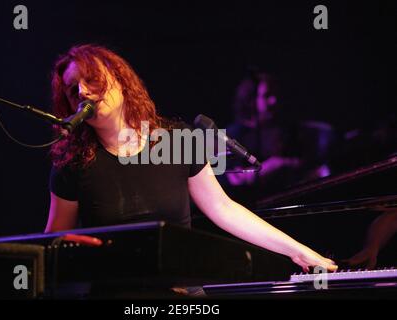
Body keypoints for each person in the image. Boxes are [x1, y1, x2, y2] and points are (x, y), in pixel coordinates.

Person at [44, 44, 337, 277]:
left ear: (120, 81)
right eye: (73, 90)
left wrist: (298, 251)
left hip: (181, 292)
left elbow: (223, 209)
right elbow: (55, 241)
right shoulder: (74, 164)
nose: (82, 92)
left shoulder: (176, 140)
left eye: (91, 80)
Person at [222, 70, 334, 204]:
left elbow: (307, 168)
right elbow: (228, 179)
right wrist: (267, 168)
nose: (274, 101)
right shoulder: (233, 135)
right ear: (251, 100)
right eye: (267, 96)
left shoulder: (289, 130)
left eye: (275, 95)